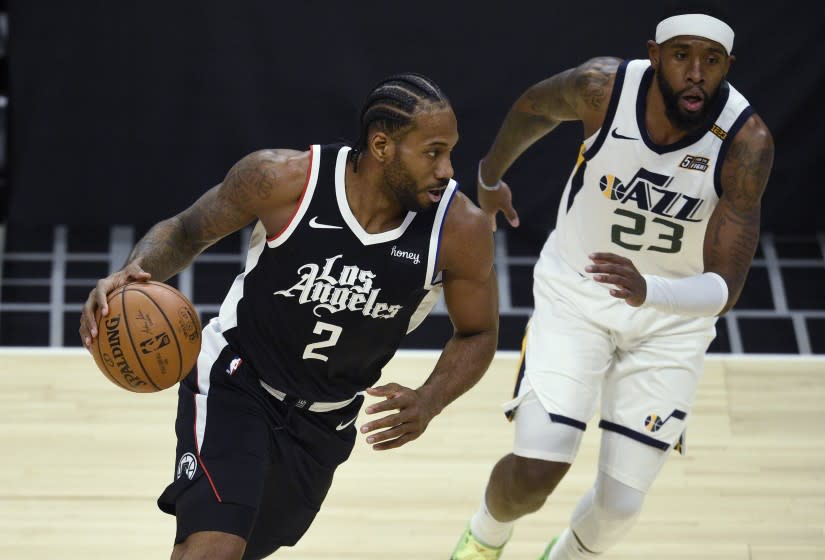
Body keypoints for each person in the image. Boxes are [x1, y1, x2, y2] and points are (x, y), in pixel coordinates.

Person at [79, 72, 499, 560]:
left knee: (250, 546)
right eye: (433, 152)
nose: (447, 169)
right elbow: (187, 230)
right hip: (238, 382)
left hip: (325, 420)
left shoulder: (460, 229)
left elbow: (479, 331)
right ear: (382, 145)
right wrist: (135, 271)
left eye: (450, 151)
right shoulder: (283, 180)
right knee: (213, 547)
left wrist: (430, 399)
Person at [451, 5, 774, 560]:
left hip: (671, 320)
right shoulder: (602, 87)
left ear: (728, 67)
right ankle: (484, 539)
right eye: (681, 56)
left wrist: (653, 292)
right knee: (535, 471)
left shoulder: (746, 143)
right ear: (654, 56)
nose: (696, 71)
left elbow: (726, 288)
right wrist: (489, 175)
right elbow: (533, 107)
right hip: (577, 294)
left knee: (620, 506)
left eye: (711, 60)